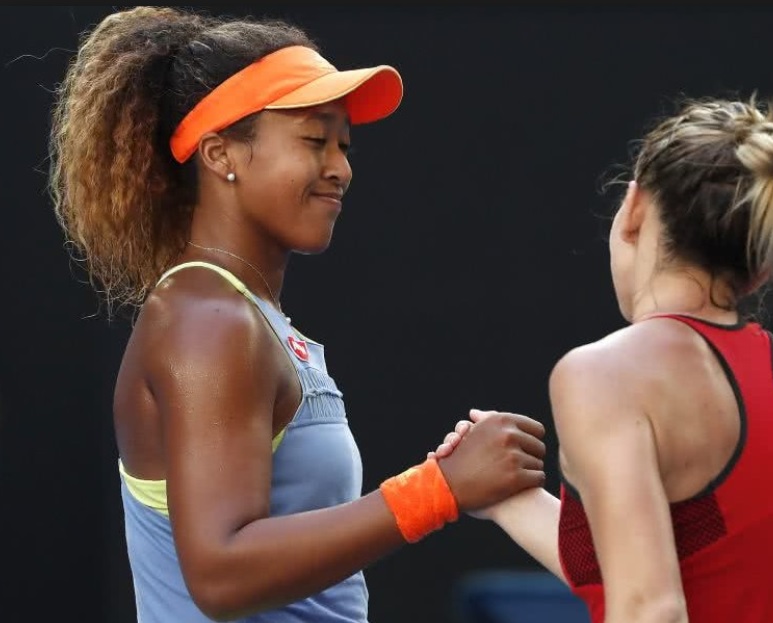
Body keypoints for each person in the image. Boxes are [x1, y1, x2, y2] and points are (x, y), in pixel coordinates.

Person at [48, 7, 547, 623]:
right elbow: (222, 574)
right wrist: (437, 489)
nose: (341, 168)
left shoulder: (242, 316)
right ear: (220, 154)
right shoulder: (209, 321)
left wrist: (443, 481)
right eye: (315, 141)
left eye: (344, 145)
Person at [462, 97, 773, 622]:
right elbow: (687, 569)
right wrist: (509, 502)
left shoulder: (602, 374)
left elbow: (650, 608)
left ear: (635, 209)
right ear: (760, 268)